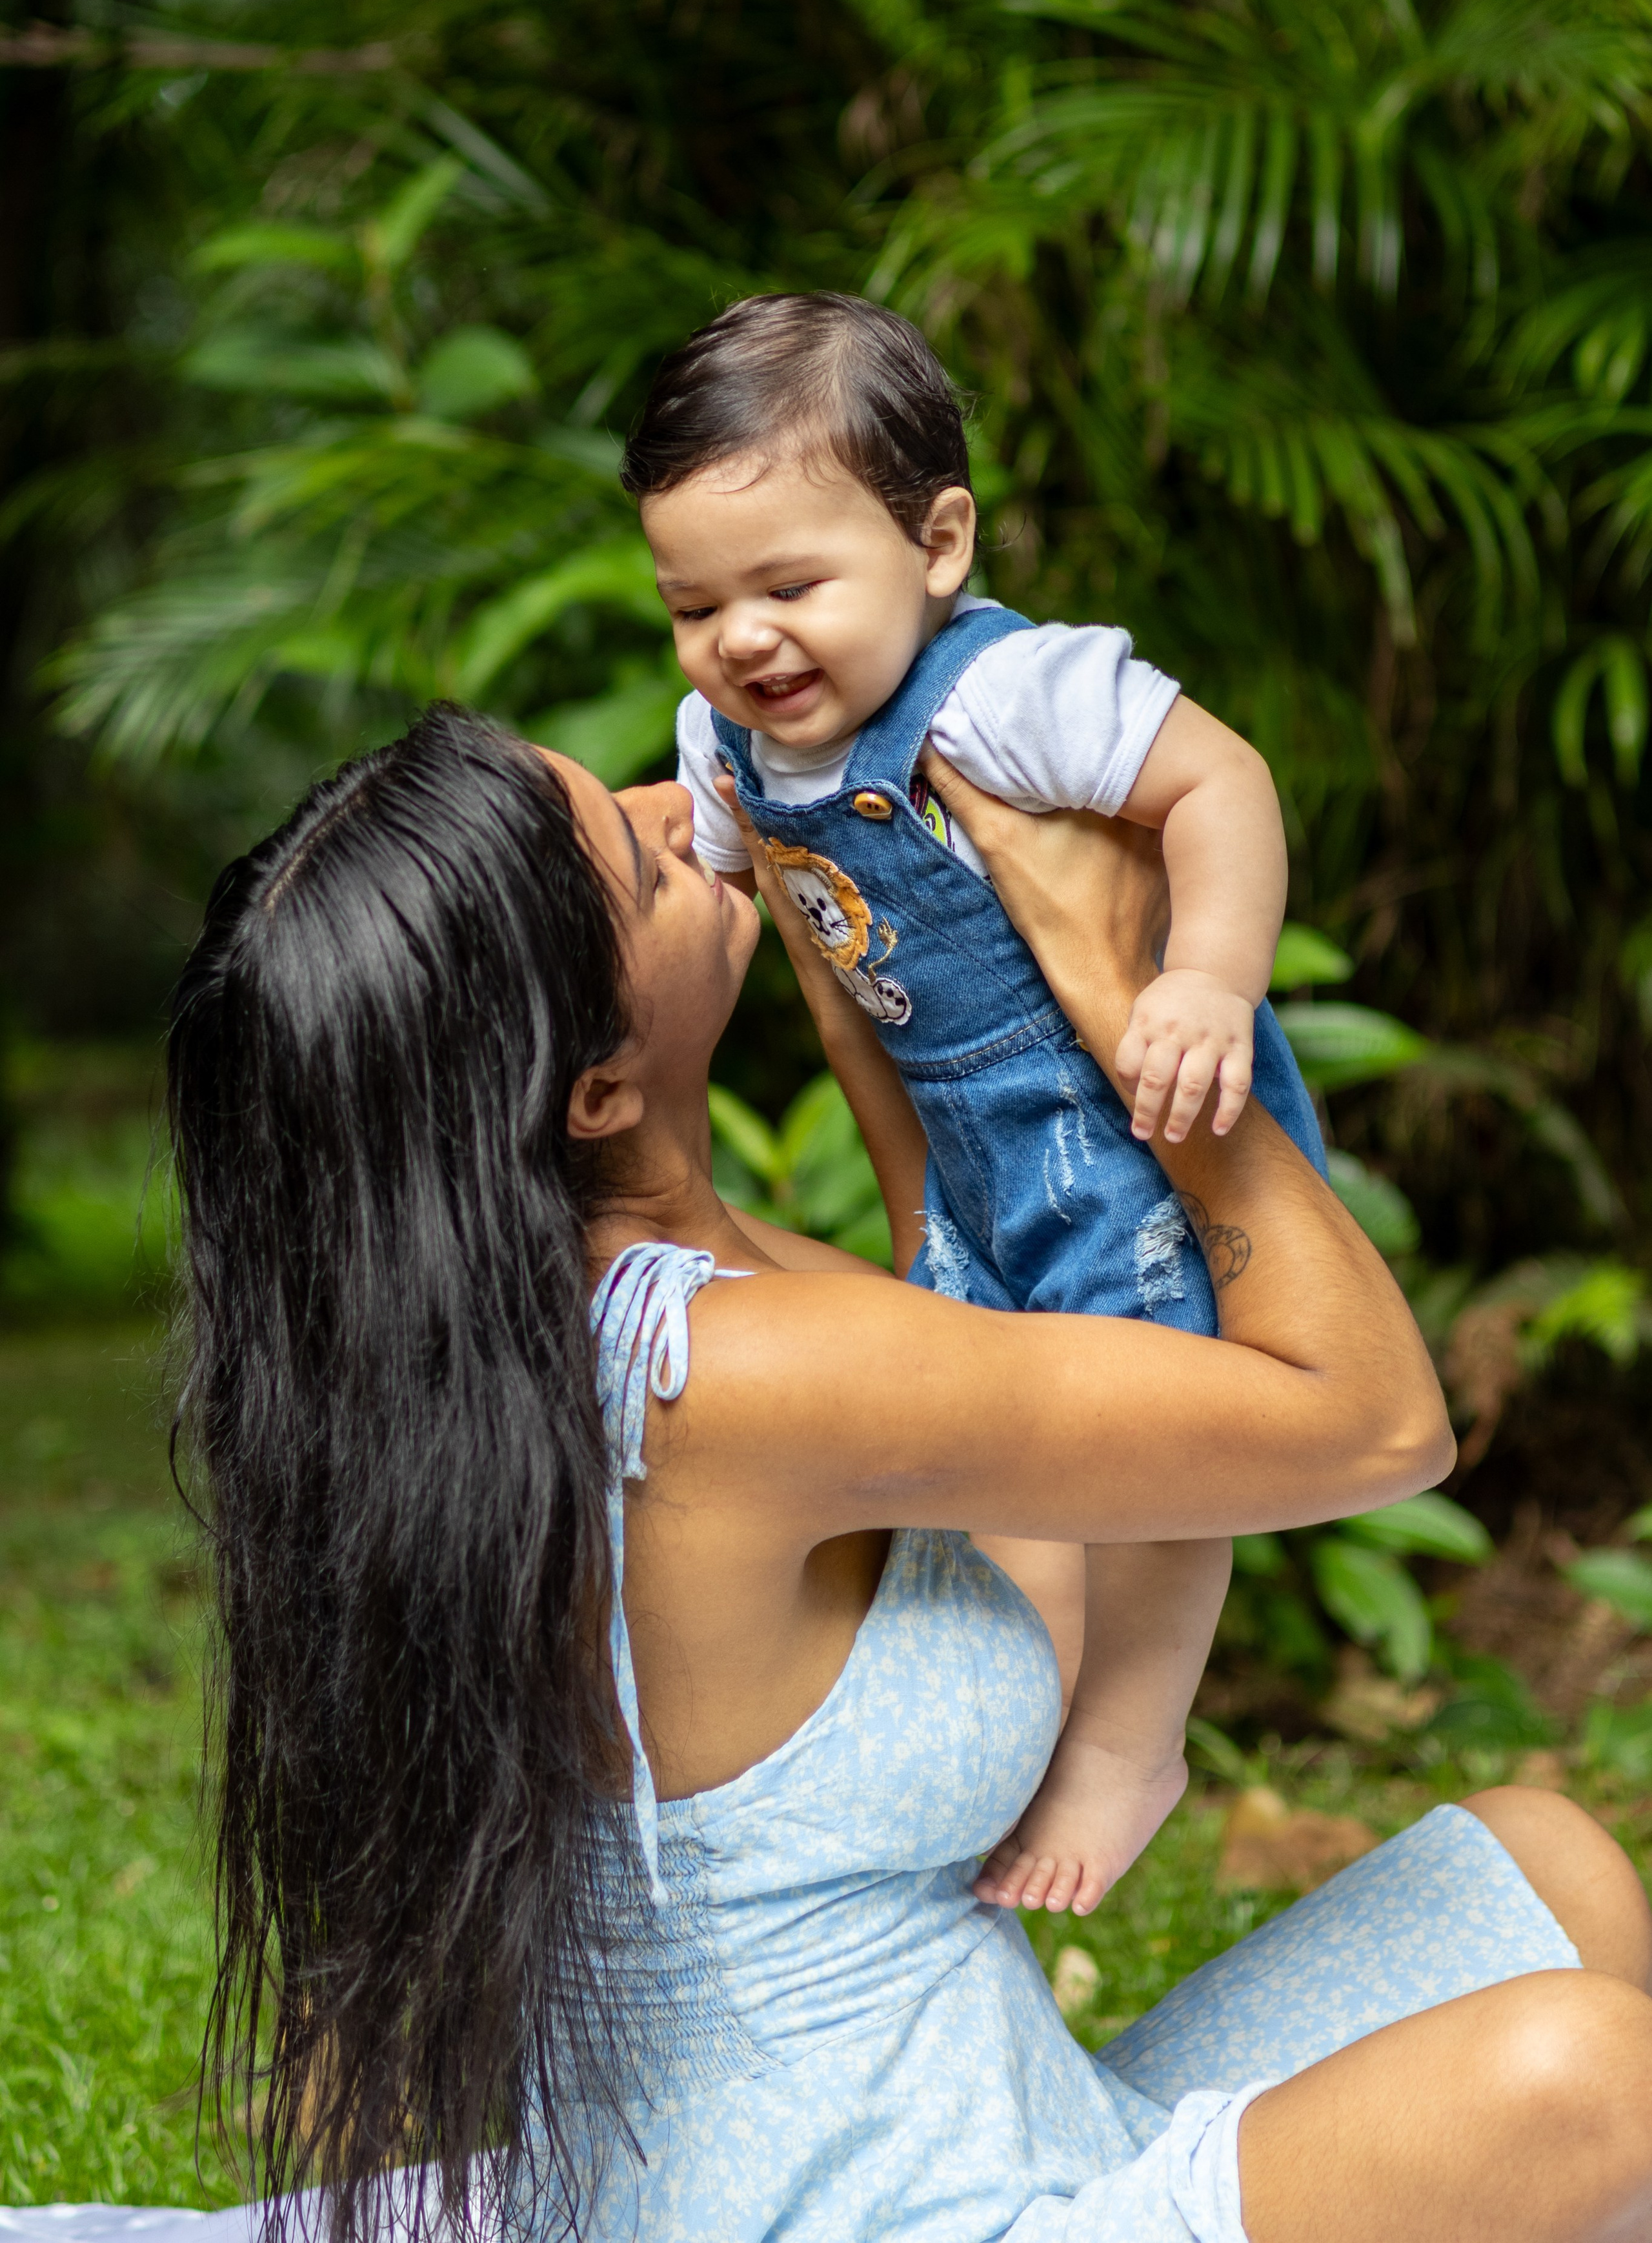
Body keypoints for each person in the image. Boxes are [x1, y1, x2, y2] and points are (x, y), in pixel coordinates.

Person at [14, 699, 1652, 2243]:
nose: (681, 807)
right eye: (646, 857)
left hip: (992, 2128)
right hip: (877, 2213)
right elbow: (1370, 1421)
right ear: (594, 1090)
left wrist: (857, 940)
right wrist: (1112, 975)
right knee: (1589, 2081)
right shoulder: (723, 1380)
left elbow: (972, 1360)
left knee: (1543, 1869)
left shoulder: (557, 1355)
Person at [630, 289, 1323, 1917]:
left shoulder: (1008, 694)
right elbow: (747, 928)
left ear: (935, 542)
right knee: (989, 1470)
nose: (741, 639)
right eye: (692, 603)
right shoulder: (727, 749)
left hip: (1121, 1127)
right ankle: (1014, 1737)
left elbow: (1220, 781)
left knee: (1161, 1453)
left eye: (791, 583)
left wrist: (1206, 980)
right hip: (964, 1154)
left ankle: (1130, 1741)